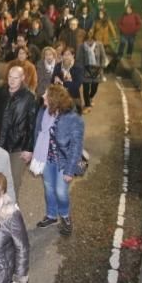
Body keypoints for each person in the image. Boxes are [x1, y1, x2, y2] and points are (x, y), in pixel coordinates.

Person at [32, 84, 86, 236]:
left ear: (54, 99)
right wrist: (34, 153)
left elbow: (76, 147)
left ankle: (65, 215)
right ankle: (51, 216)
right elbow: (37, 132)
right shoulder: (43, 111)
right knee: (49, 188)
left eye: (46, 95)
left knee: (60, 192)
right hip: (47, 158)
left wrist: (70, 170)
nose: (42, 96)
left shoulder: (73, 119)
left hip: (64, 161)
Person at [0, 63, 37, 196]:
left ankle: (11, 211)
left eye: (16, 77)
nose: (12, 80)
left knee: (13, 181)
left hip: (18, 147)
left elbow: (32, 125)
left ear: (23, 78)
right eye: (10, 77)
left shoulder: (29, 97)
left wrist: (29, 148)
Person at [78, 36, 108, 113]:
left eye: (91, 40)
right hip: (86, 69)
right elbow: (79, 58)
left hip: (97, 69)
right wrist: (81, 68)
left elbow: (103, 57)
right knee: (86, 88)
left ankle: (90, 97)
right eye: (87, 40)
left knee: (94, 87)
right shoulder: (81, 46)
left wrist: (101, 67)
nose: (89, 42)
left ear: (94, 40)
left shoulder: (99, 45)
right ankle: (87, 105)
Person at [53, 47, 83, 113]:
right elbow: (53, 81)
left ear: (73, 56)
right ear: (62, 56)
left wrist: (62, 83)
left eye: (69, 54)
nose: (66, 57)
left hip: (73, 98)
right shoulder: (58, 66)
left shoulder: (78, 67)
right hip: (60, 98)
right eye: (64, 55)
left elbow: (77, 85)